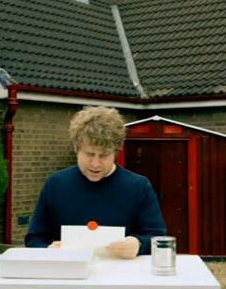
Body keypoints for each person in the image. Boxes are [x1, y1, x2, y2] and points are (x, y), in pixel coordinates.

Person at [24, 106, 167, 259]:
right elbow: (34, 238)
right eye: (89, 154)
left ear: (116, 152)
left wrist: (139, 244)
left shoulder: (139, 186)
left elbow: (158, 237)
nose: (95, 164)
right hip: (69, 275)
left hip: (121, 276)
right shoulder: (55, 184)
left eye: (104, 155)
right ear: (76, 148)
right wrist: (48, 249)